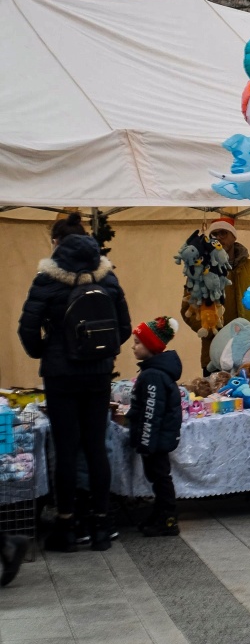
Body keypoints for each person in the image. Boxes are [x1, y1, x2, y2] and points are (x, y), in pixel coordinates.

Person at [18, 213, 132, 552]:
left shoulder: (47, 279)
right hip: (97, 374)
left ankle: (67, 527)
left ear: (56, 243)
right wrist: (101, 355)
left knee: (66, 449)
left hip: (60, 376)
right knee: (96, 447)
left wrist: (47, 351)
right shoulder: (106, 276)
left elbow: (27, 329)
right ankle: (101, 524)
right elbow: (123, 327)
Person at [181, 218, 250, 371]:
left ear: (234, 236)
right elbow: (187, 306)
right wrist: (209, 330)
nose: (219, 237)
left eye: (223, 233)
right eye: (214, 234)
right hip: (215, 354)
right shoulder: (201, 269)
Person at [128, 316, 185, 537]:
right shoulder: (153, 372)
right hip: (156, 439)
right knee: (157, 477)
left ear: (151, 346)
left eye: (137, 343)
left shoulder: (153, 375)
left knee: (161, 478)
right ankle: (159, 514)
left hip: (156, 441)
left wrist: (145, 443)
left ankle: (168, 519)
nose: (133, 347)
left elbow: (152, 412)